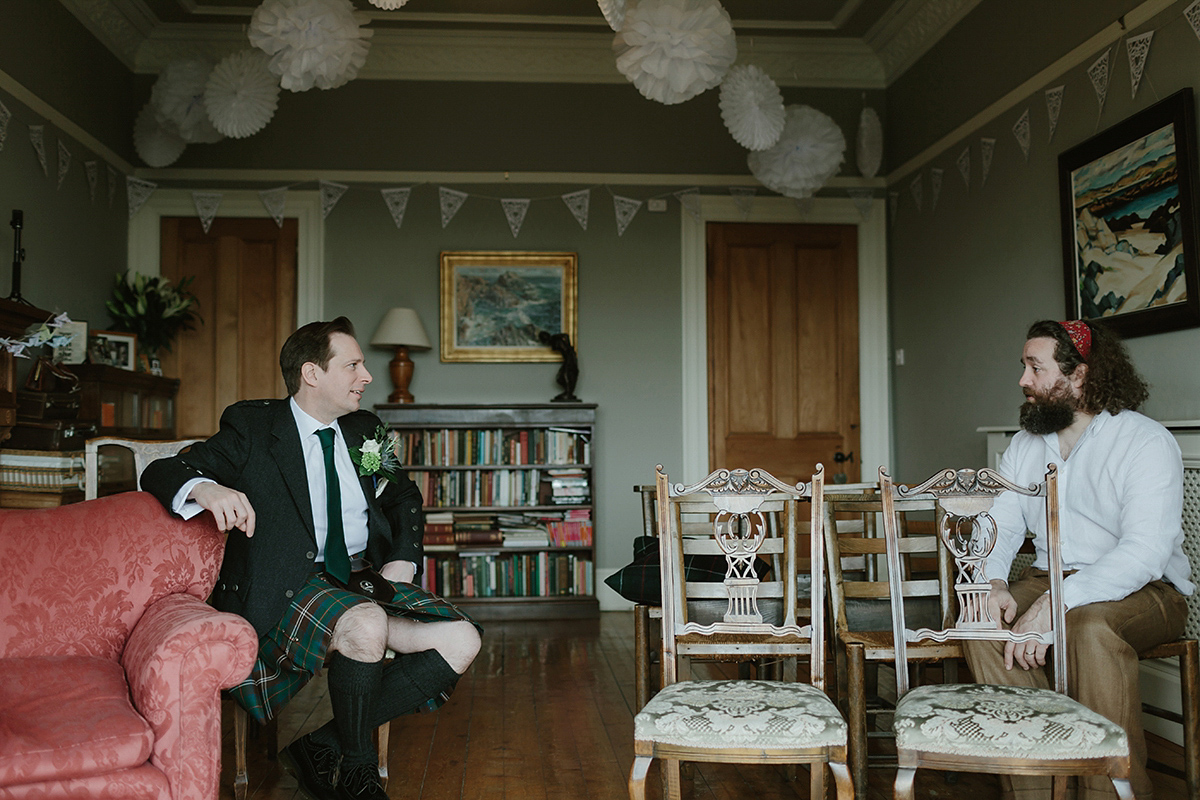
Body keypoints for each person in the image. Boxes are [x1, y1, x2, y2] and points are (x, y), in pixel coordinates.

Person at [141, 317, 481, 800]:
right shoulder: (255, 426)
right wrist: (208, 487)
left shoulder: (365, 430)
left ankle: (319, 747)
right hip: (290, 584)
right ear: (312, 373)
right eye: (354, 365)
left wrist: (404, 557)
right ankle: (359, 775)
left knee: (461, 640)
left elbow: (402, 496)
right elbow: (165, 470)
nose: (366, 376)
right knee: (366, 626)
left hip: (362, 578)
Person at [965, 319, 1193, 800]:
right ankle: (1039, 786)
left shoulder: (1144, 441)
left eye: (1035, 367)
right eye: (1023, 366)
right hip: (1050, 579)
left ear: (1080, 376)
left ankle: (1110, 792)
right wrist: (993, 584)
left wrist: (1057, 604)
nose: (1023, 380)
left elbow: (1144, 552)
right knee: (979, 619)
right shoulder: (1024, 445)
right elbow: (1001, 525)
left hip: (1146, 591)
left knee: (1086, 627)